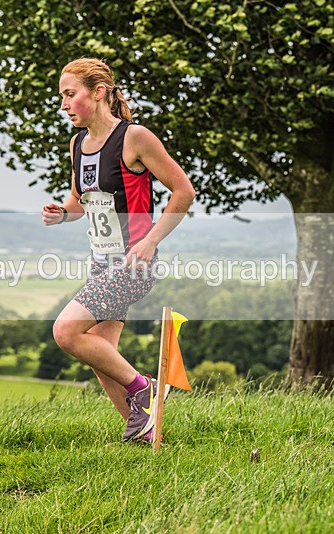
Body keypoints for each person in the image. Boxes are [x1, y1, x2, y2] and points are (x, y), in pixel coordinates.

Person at [42, 58, 196, 443]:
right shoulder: (77, 144)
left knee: (66, 332)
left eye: (69, 94)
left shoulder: (135, 137)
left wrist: (151, 240)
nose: (63, 104)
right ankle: (145, 431)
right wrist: (63, 213)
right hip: (101, 262)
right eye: (61, 95)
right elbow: (81, 202)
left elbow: (184, 191)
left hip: (134, 263)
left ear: (98, 93)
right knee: (100, 353)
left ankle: (145, 386)